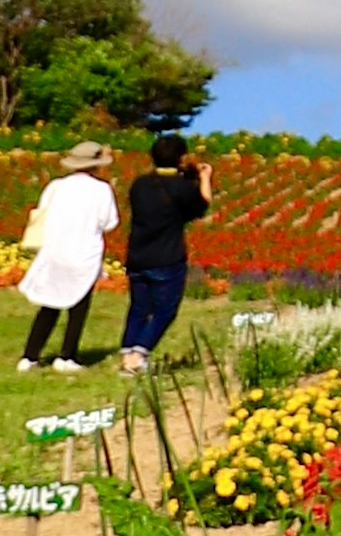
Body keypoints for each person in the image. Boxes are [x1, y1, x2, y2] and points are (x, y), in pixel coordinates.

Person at [18, 143, 118, 368]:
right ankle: (67, 355)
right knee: (78, 307)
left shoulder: (56, 186)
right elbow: (109, 223)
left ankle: (30, 355)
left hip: (55, 251)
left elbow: (42, 213)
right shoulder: (102, 190)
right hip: (84, 253)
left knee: (49, 304)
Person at [121, 129, 211, 365]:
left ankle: (127, 352)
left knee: (139, 308)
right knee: (165, 310)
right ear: (181, 158)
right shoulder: (182, 188)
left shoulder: (140, 185)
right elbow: (202, 205)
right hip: (167, 257)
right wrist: (204, 178)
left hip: (138, 255)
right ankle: (138, 354)